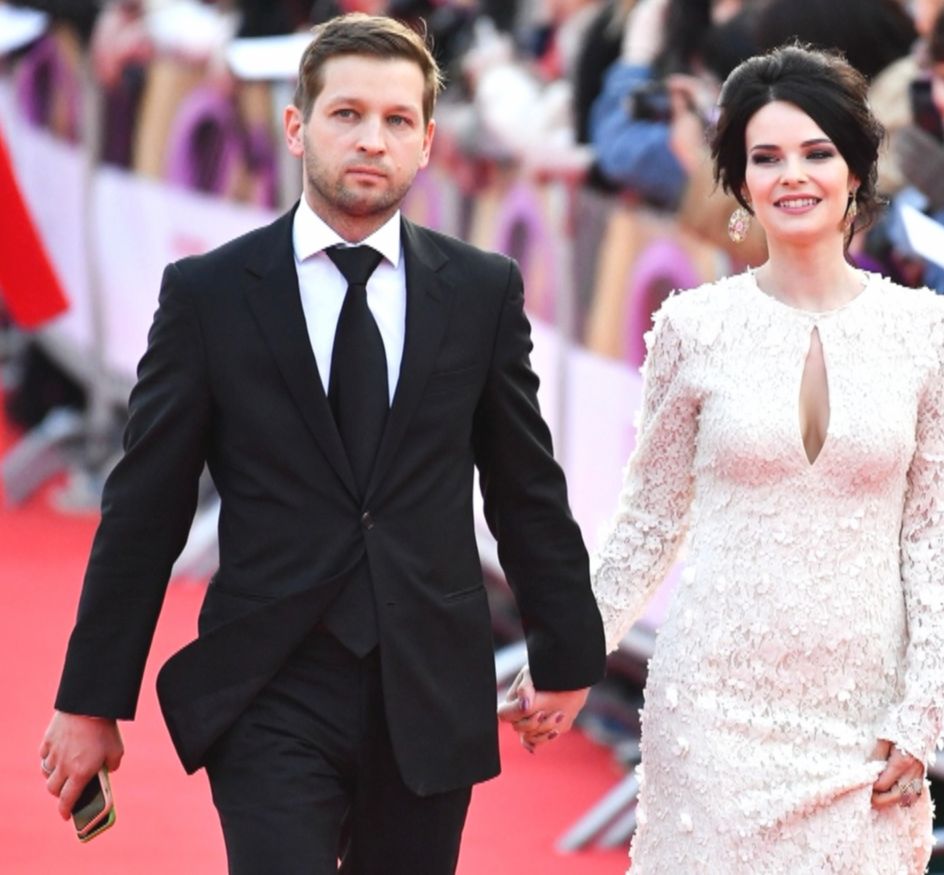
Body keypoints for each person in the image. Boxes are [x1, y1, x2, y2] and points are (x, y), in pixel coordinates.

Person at [39, 13, 605, 874]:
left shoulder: (480, 291)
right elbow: (145, 506)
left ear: (427, 144)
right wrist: (91, 699)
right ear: (296, 127)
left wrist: (565, 648)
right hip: (268, 684)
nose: (372, 139)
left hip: (428, 683)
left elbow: (524, 484)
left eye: (397, 119)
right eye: (347, 114)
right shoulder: (210, 294)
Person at [503, 43, 944, 872]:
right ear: (740, 179)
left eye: (816, 153)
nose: (793, 176)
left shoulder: (927, 332)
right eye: (767, 157)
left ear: (856, 168)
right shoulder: (694, 328)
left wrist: (920, 711)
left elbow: (937, 540)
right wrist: (574, 652)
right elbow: (651, 521)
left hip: (863, 721)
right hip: (713, 709)